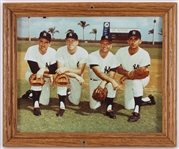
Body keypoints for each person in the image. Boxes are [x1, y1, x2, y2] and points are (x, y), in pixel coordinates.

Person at [115, 30, 156, 122]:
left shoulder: (144, 54)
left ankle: (137, 112)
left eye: (136, 39)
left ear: (140, 41)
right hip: (130, 79)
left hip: (142, 79)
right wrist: (127, 74)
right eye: (131, 39)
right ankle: (148, 99)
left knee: (136, 82)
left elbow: (141, 73)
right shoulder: (121, 52)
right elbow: (118, 68)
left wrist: (126, 76)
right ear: (128, 41)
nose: (133, 41)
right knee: (128, 106)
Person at [24, 30, 57, 116]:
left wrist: (43, 70)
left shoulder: (53, 52)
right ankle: (36, 106)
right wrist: (49, 75)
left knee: (45, 102)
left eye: (46, 42)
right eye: (41, 41)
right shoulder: (31, 50)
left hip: (45, 77)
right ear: (38, 41)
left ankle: (31, 93)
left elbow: (54, 68)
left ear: (49, 44)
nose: (43, 44)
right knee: (37, 79)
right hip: (31, 75)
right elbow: (35, 70)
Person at [55, 32, 88, 117]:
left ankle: (68, 92)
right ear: (66, 41)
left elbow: (80, 71)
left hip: (75, 75)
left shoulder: (83, 52)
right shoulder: (60, 50)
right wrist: (76, 75)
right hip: (65, 75)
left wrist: (66, 69)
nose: (70, 43)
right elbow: (60, 71)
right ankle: (62, 105)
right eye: (68, 40)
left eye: (73, 41)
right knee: (61, 79)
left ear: (77, 42)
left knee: (75, 102)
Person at [88, 35, 120, 119]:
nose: (105, 45)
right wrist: (112, 81)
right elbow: (98, 72)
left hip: (106, 81)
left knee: (111, 84)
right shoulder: (93, 55)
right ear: (100, 44)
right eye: (103, 43)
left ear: (111, 45)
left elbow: (112, 74)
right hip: (94, 80)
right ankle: (104, 98)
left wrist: (104, 82)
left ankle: (109, 108)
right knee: (93, 107)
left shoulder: (113, 57)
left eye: (107, 43)